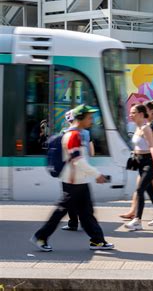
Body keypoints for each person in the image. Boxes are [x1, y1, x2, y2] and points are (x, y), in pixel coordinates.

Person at [30, 104, 114, 251]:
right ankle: (40, 237)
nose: (92, 120)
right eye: (89, 117)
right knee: (61, 212)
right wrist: (97, 174)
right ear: (80, 118)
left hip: (80, 182)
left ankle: (97, 240)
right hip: (74, 183)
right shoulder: (73, 136)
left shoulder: (78, 134)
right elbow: (77, 160)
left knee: (87, 213)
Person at [119, 101, 153, 224]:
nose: (131, 115)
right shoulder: (141, 126)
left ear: (149, 111)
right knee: (147, 189)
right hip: (143, 161)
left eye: (134, 113)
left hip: (152, 159)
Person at [61, 109, 96, 231]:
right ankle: (90, 229)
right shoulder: (86, 133)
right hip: (82, 169)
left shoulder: (65, 132)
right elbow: (91, 151)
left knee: (67, 203)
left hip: (70, 173)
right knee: (84, 203)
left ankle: (73, 223)